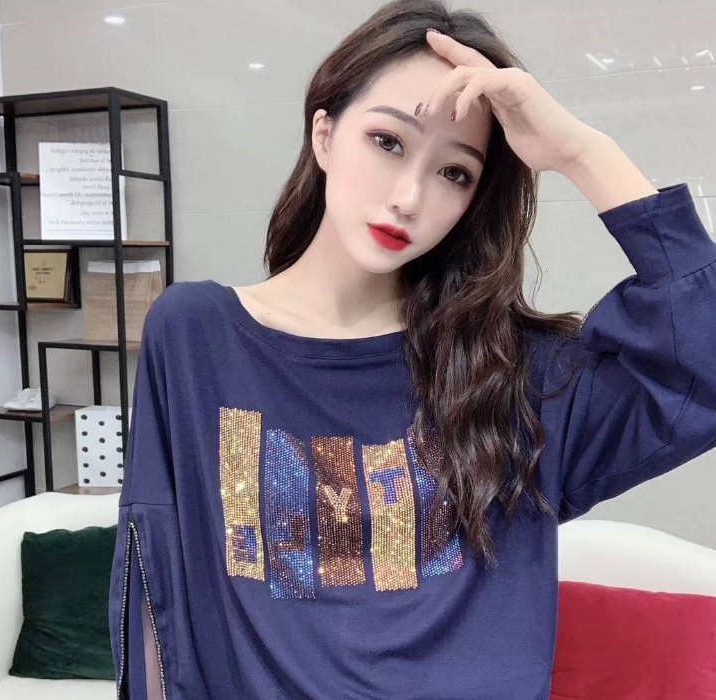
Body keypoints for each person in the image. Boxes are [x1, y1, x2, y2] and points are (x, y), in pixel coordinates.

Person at [108, 0, 716, 698]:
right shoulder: (197, 336)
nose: (408, 197)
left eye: (455, 172)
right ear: (325, 134)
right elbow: (155, 576)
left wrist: (584, 153)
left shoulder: (513, 374)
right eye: (388, 142)